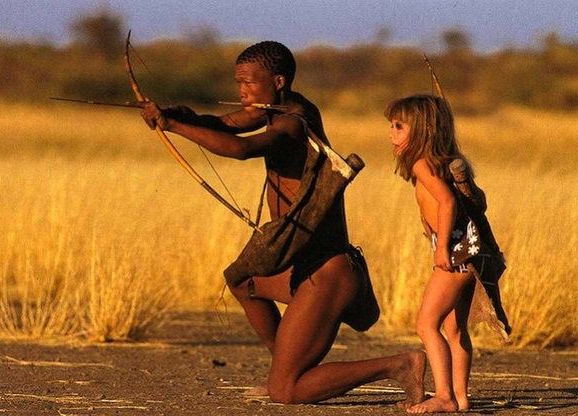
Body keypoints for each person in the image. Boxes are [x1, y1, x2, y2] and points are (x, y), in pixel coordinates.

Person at [139, 40, 426, 406]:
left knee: (286, 392)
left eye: (248, 83)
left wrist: (175, 126)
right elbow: (226, 124)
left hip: (328, 273)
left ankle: (399, 366)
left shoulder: (294, 122)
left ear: (277, 81)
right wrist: (181, 116)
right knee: (242, 280)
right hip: (307, 267)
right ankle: (283, 365)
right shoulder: (276, 108)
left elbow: (241, 148)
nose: (241, 91)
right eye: (238, 83)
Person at [384, 94, 510, 413]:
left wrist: (441, 248)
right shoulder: (447, 162)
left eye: (399, 126)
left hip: (454, 253)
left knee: (426, 324)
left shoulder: (423, 163)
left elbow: (448, 203)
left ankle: (443, 396)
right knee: (454, 329)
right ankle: (461, 398)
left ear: (423, 130)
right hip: (468, 252)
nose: (391, 133)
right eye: (391, 126)